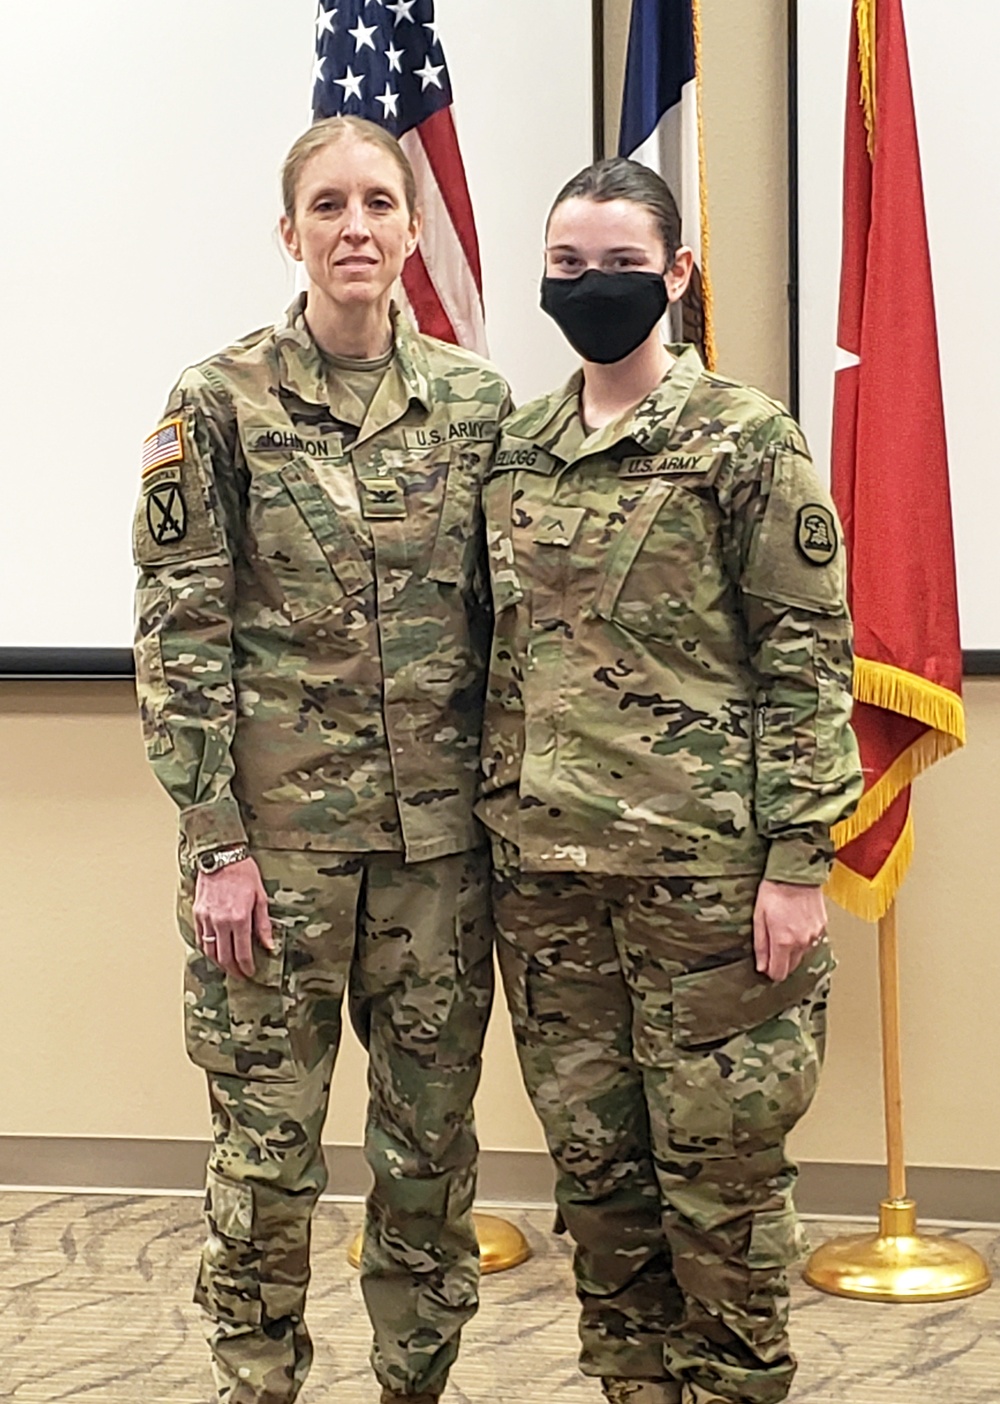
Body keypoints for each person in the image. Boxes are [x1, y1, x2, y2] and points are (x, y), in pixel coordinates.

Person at [132, 116, 509, 1404]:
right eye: (331, 205)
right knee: (266, 1159)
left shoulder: (476, 404)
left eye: (380, 203)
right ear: (289, 233)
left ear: (413, 227)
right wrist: (216, 846)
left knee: (428, 1160)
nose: (358, 227)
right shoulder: (216, 402)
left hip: (439, 866)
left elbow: (507, 627)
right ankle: (258, 1383)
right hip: (276, 864)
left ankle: (417, 1382)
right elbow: (178, 637)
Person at [478, 158, 863, 1404]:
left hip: (707, 890)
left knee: (723, 1194)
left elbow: (806, 659)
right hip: (548, 892)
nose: (594, 288)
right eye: (569, 266)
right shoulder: (517, 450)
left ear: (678, 274)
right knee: (601, 1192)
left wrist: (799, 867)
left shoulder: (746, 442)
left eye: (623, 265)